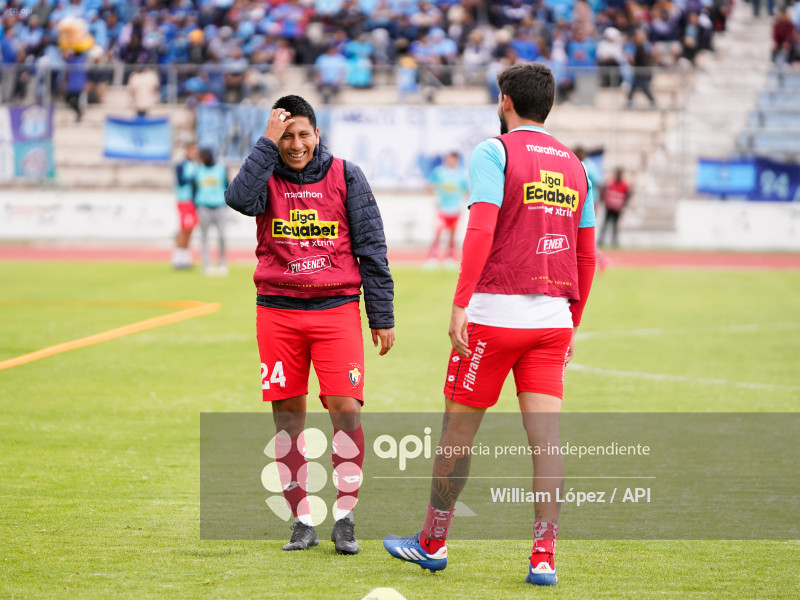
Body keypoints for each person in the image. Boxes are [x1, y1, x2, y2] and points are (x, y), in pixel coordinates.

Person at [383, 63, 596, 587]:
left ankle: (432, 543)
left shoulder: (493, 151)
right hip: (552, 323)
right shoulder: (576, 166)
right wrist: (573, 322)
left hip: (494, 316)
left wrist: (460, 302)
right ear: (549, 106)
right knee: (546, 442)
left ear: (504, 101)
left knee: (457, 434)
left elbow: (479, 229)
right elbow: (586, 256)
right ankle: (543, 557)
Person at [224, 94, 395, 555]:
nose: (295, 144)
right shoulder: (264, 176)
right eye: (286, 136)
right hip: (277, 311)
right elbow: (237, 199)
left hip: (336, 310)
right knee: (287, 417)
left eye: (303, 135)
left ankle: (345, 516)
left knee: (347, 408)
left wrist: (380, 315)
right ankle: (301, 520)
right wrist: (265, 141)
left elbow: (372, 245)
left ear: (318, 135)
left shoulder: (346, 175)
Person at [426, 151, 469, 268]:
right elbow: (429, 185)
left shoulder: (462, 174)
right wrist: (433, 199)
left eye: (454, 159)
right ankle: (433, 258)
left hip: (455, 209)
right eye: (450, 159)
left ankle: (449, 258)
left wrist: (464, 204)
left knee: (452, 235)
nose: (451, 161)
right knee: (438, 234)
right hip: (442, 209)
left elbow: (467, 190)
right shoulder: (439, 172)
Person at [194, 148, 229, 276]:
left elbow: (228, 185)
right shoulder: (198, 170)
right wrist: (196, 205)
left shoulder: (221, 168)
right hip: (203, 206)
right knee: (204, 237)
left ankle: (222, 264)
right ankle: (207, 265)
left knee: (222, 237)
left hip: (220, 206)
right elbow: (194, 187)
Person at [172, 142, 199, 270]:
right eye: (191, 150)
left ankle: (185, 257)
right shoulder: (181, 165)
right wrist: (193, 177)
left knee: (190, 229)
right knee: (184, 228)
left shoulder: (196, 165)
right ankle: (178, 257)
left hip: (193, 201)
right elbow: (181, 181)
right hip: (184, 200)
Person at [598, 166, 630, 247]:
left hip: (617, 209)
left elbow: (627, 196)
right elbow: (604, 190)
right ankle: (601, 240)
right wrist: (604, 200)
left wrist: (623, 205)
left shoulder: (624, 185)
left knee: (615, 226)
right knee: (605, 224)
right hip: (609, 208)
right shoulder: (610, 182)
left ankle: (614, 241)